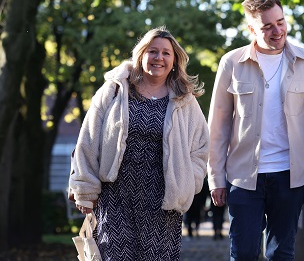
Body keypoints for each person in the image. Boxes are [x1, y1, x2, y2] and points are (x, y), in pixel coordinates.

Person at [69, 26, 210, 260]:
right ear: (141, 55)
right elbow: (88, 140)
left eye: (166, 53)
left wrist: (188, 182)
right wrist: (85, 190)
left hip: (164, 203)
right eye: (152, 51)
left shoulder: (185, 100)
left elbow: (201, 148)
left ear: (174, 61)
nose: (159, 58)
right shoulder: (115, 91)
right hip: (115, 197)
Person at [207, 0, 304, 260]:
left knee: (281, 253)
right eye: (267, 26)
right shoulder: (231, 63)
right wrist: (215, 177)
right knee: (243, 253)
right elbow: (218, 125)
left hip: (290, 176)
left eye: (281, 22)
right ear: (251, 29)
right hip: (243, 177)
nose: (277, 31)